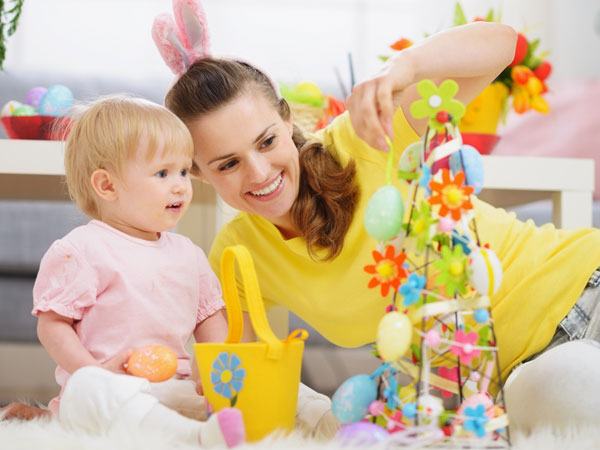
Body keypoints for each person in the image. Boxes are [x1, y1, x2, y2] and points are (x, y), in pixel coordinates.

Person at [162, 17, 600, 433]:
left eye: (267, 141)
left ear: (286, 119)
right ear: (198, 173)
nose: (259, 172)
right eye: (228, 164)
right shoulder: (239, 255)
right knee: (564, 397)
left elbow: (503, 44)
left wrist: (403, 68)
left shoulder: (364, 138)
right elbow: (238, 381)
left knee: (575, 392)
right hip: (495, 387)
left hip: (580, 290)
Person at [5, 95, 246, 448]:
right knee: (90, 394)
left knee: (238, 388)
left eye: (183, 171)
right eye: (163, 173)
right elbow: (52, 325)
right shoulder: (83, 250)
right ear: (107, 186)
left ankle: (311, 416)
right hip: (109, 389)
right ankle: (192, 436)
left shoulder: (188, 254)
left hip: (173, 386)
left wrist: (213, 373)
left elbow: (210, 320)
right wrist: (92, 372)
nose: (181, 185)